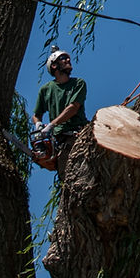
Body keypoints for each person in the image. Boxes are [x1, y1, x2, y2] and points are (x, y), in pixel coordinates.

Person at [32, 45, 88, 180]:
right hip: (60, 140)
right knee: (67, 177)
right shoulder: (46, 90)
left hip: (78, 134)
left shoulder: (78, 84)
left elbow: (73, 108)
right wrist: (38, 125)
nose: (68, 60)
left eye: (68, 58)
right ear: (54, 66)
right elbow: (36, 114)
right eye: (63, 58)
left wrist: (51, 125)